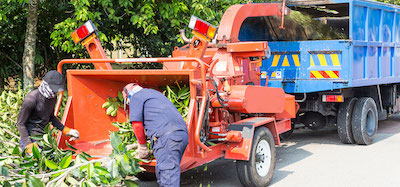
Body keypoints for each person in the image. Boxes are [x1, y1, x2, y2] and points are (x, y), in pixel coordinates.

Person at [122, 83, 189, 187]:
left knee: (168, 178)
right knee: (163, 172)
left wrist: (143, 146)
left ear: (128, 94)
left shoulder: (136, 96)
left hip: (167, 137)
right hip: (181, 135)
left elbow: (136, 124)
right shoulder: (155, 94)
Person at [16, 70, 79, 154]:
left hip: (43, 137)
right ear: (46, 84)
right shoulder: (31, 99)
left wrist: (66, 130)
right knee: (34, 165)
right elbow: (20, 124)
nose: (55, 92)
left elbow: (51, 117)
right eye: (53, 89)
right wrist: (29, 145)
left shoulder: (52, 97)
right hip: (30, 137)